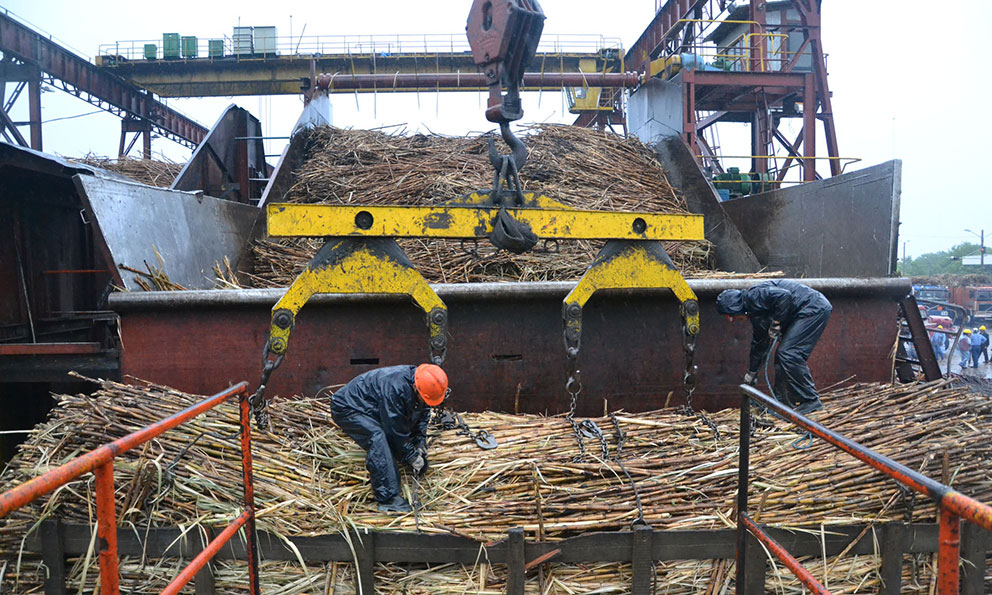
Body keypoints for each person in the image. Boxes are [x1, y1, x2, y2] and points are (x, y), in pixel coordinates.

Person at [330, 364, 448, 512]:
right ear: (416, 388)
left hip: (373, 407)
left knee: (390, 432)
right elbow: (394, 432)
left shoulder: (422, 385)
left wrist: (419, 442)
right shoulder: (394, 388)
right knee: (378, 436)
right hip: (348, 407)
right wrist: (411, 456)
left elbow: (422, 414)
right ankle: (388, 498)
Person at [716, 280, 832, 415]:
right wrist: (752, 373)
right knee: (780, 357)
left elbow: (784, 296)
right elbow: (759, 345)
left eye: (730, 315)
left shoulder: (755, 295)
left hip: (813, 307)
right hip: (802, 312)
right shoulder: (756, 315)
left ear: (735, 307)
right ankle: (782, 403)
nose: (731, 320)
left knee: (788, 353)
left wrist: (777, 322)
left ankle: (811, 400)